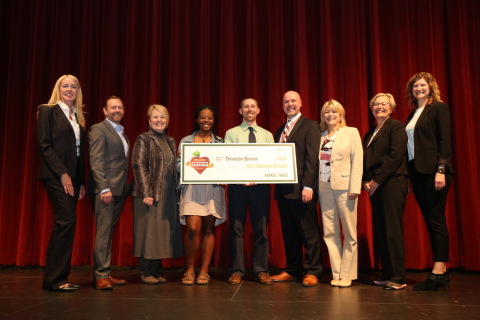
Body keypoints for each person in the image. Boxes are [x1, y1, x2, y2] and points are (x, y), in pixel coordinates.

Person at [36, 75, 86, 292]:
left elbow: (79, 152)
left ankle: (59, 278)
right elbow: (44, 145)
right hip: (56, 176)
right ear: (58, 89)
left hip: (73, 177)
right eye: (65, 86)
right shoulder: (48, 111)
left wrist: (81, 181)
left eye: (73, 86)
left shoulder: (77, 116)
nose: (69, 89)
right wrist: (63, 174)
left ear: (78, 91)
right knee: (65, 222)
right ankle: (54, 280)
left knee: (67, 224)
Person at [405, 72, 453, 291]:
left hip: (434, 171)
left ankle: (438, 271)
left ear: (431, 87)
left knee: (436, 219)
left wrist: (441, 169)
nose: (419, 89)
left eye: (423, 85)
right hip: (417, 172)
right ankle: (440, 272)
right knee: (431, 219)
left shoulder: (438, 108)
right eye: (415, 86)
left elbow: (445, 141)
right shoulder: (413, 113)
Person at [271, 90, 323, 287]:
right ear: (282, 105)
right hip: (284, 190)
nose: (290, 104)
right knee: (289, 231)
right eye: (286, 102)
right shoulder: (279, 131)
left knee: (308, 231)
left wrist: (309, 186)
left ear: (300, 103)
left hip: (303, 189)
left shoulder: (310, 126)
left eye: (293, 101)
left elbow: (312, 158)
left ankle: (312, 270)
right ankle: (292, 269)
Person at [224, 98, 274, 285]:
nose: (249, 109)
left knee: (261, 229)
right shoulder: (231, 134)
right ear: (240, 110)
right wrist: (240, 178)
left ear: (258, 110)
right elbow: (228, 160)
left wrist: (260, 177)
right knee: (236, 229)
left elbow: (271, 161)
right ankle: (237, 270)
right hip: (238, 187)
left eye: (253, 106)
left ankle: (261, 270)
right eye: (246, 106)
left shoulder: (267, 135)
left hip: (261, 187)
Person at [131, 105, 183, 284]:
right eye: (155, 117)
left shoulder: (170, 140)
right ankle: (146, 272)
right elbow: (139, 165)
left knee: (161, 233)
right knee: (148, 232)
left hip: (167, 194)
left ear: (167, 121)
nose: (159, 120)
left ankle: (155, 270)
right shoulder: (144, 139)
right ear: (149, 120)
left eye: (162, 117)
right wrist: (147, 192)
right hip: (148, 194)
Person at [362, 93, 409, 290]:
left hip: (392, 183)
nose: (379, 107)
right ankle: (388, 273)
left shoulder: (396, 127)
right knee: (382, 230)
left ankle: (398, 277)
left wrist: (376, 181)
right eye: (376, 104)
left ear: (391, 108)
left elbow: (395, 156)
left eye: (384, 104)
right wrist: (366, 180)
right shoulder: (370, 132)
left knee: (392, 230)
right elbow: (364, 161)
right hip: (375, 185)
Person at [177, 105, 226, 285]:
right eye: (203, 118)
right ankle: (189, 269)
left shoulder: (220, 142)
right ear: (197, 120)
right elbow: (177, 167)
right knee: (192, 229)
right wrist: (183, 163)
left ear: (214, 120)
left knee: (208, 229)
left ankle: (204, 271)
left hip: (212, 189)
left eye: (210, 118)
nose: (206, 121)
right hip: (191, 188)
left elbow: (226, 166)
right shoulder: (186, 141)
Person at [318, 99, 363, 288]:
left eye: (334, 112)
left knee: (349, 233)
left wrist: (355, 188)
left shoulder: (351, 132)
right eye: (327, 112)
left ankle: (347, 274)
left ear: (341, 115)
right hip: (324, 188)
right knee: (330, 233)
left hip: (345, 187)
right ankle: (336, 272)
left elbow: (357, 160)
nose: (330, 115)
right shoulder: (320, 136)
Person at [88, 96, 130, 290]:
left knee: (108, 233)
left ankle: (106, 271)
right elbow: (96, 161)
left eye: (120, 108)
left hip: (120, 190)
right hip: (106, 191)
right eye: (113, 107)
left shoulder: (121, 132)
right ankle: (101, 275)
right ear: (105, 111)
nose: (117, 110)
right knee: (104, 232)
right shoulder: (99, 129)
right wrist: (103, 188)